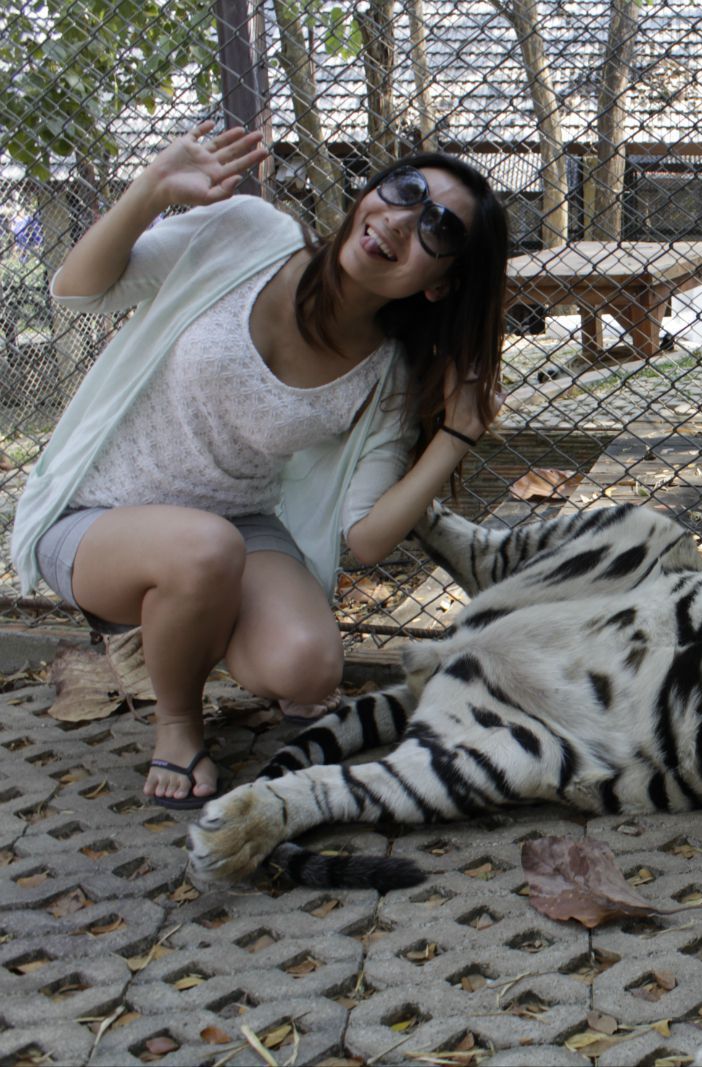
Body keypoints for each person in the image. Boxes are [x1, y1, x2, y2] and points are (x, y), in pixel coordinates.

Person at [9, 123, 509, 809]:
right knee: (203, 549)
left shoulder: (387, 374)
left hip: (238, 523)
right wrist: (150, 188)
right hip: (96, 513)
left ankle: (169, 628)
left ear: (443, 285)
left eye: (439, 228)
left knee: (307, 667)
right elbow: (78, 291)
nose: (402, 221)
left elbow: (364, 537)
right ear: (370, 192)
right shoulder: (248, 232)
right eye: (406, 190)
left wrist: (457, 432)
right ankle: (178, 721)